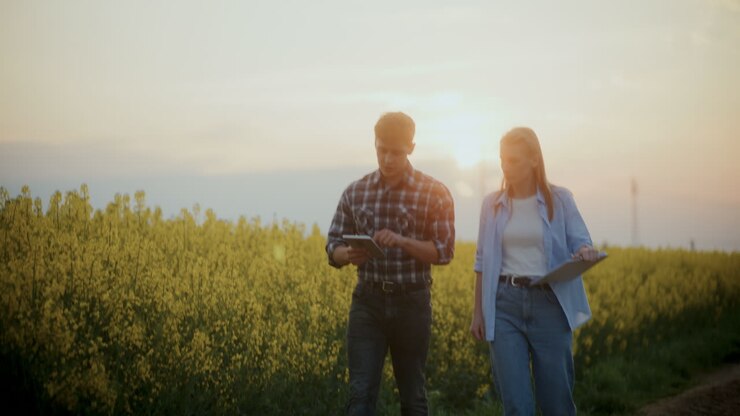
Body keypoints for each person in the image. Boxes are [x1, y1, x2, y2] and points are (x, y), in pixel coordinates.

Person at [326, 112, 455, 416]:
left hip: (412, 303)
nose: (387, 158)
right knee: (360, 397)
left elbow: (444, 251)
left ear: (411, 147)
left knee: (413, 398)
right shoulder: (356, 191)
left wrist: (402, 241)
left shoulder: (434, 192)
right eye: (381, 149)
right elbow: (332, 245)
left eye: (395, 152)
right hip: (367, 302)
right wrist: (347, 255)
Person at [469, 127, 599, 416]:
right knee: (517, 406)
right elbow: (481, 263)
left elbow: (581, 240)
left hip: (550, 305)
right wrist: (478, 312)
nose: (506, 167)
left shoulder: (561, 200)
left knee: (557, 405)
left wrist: (584, 252)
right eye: (503, 160)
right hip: (504, 307)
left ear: (534, 160)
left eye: (514, 160)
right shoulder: (491, 205)